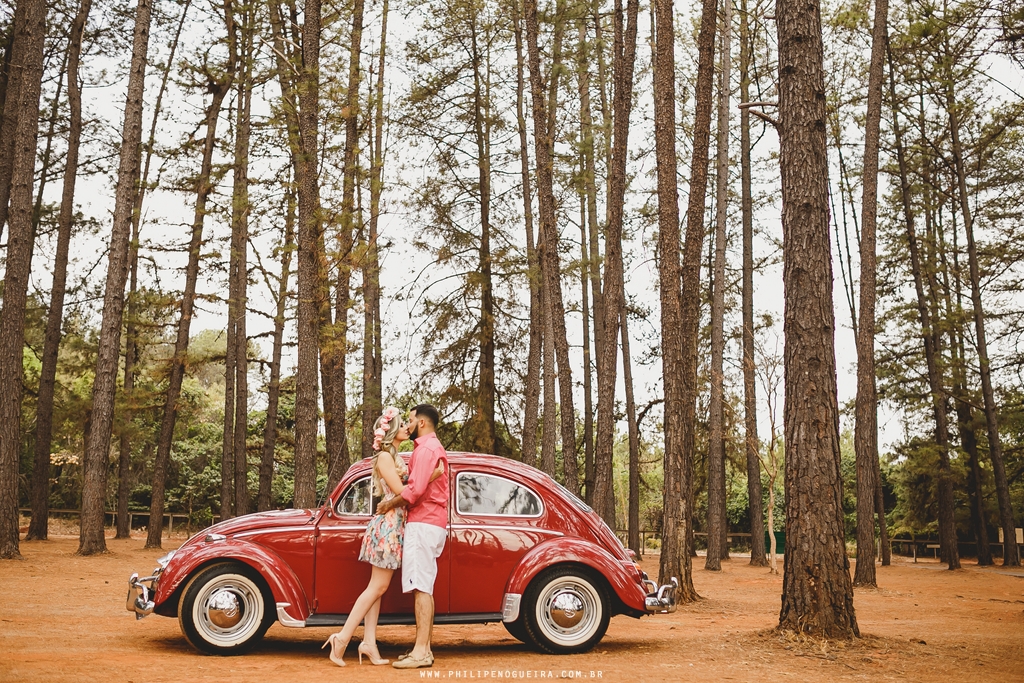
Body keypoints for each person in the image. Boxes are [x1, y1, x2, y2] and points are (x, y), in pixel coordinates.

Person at [322, 406, 442, 667]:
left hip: (395, 524)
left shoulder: (395, 455)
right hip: (387, 526)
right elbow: (403, 491)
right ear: (389, 432)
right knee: (377, 587)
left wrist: (424, 477)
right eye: (401, 426)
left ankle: (369, 643)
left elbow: (411, 486)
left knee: (377, 589)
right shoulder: (385, 458)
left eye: (407, 424)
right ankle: (341, 639)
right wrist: (431, 476)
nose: (406, 428)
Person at [376, 404, 448, 670]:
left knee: (421, 587)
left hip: (424, 521)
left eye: (410, 420)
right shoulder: (430, 448)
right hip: (432, 521)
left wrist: (388, 504)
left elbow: (414, 491)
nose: (407, 424)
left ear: (422, 423)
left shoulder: (426, 449)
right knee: (424, 585)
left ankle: (421, 653)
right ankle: (423, 648)